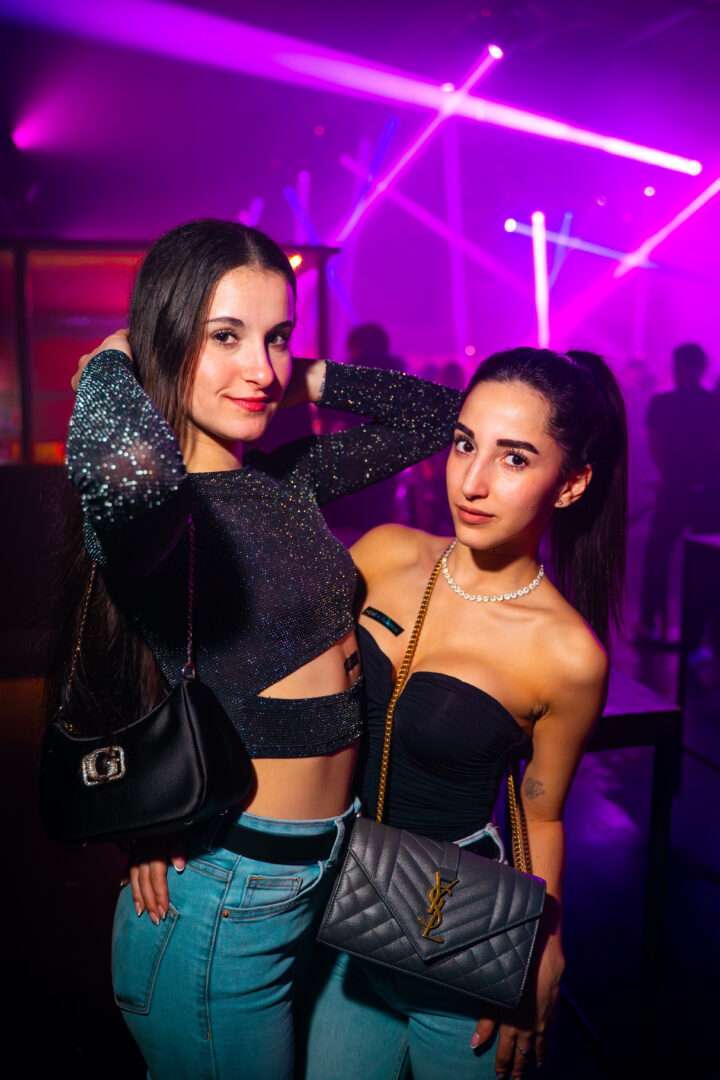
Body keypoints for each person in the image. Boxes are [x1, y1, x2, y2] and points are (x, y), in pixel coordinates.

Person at [54, 219, 461, 1079]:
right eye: (225, 336)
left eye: (277, 336)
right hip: (224, 893)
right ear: (166, 338)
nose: (262, 368)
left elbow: (437, 416)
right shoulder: (154, 511)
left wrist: (300, 372)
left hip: (336, 871)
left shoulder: (285, 479)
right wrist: (115, 357)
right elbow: (131, 469)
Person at [302, 346, 628, 1079]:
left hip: (460, 929)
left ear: (571, 484)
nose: (473, 482)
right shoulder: (385, 554)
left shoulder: (569, 654)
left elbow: (541, 815)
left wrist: (544, 946)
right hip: (343, 912)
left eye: (514, 459)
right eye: (463, 444)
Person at [639, 342, 718, 641]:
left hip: (674, 489)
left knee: (658, 555)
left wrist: (669, 475)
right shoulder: (712, 404)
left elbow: (655, 445)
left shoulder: (663, 403)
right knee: (705, 559)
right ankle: (702, 630)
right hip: (706, 492)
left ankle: (650, 622)